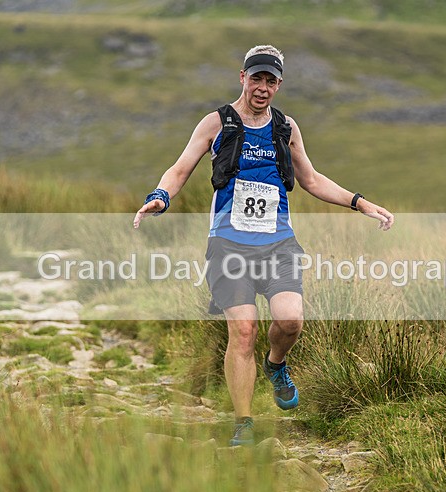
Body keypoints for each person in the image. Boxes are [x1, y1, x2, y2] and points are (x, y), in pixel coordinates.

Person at [133, 45, 394, 446]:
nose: (262, 88)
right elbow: (180, 168)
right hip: (228, 245)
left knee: (290, 321)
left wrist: (360, 202)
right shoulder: (216, 123)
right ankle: (244, 423)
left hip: (278, 244)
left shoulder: (286, 127)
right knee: (243, 331)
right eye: (256, 78)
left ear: (279, 85)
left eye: (271, 81)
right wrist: (160, 197)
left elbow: (311, 179)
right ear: (243, 77)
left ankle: (276, 364)